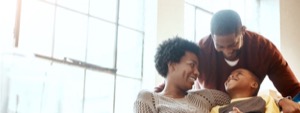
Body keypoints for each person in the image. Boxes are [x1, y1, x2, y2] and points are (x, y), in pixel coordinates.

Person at [155, 9, 300, 112]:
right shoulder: (202, 50)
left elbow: (294, 90)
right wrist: (154, 96)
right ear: (212, 36)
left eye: (232, 44)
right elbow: (175, 80)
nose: (227, 51)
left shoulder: (264, 50)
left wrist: (284, 101)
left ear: (243, 30)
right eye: (220, 46)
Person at [134, 37, 230, 113]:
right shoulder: (148, 98)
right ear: (172, 65)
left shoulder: (206, 96)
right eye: (192, 65)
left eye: (198, 68)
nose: (197, 72)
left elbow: (236, 101)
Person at [211, 68, 280, 113]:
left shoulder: (264, 99)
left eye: (239, 74)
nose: (231, 76)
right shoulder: (217, 109)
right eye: (229, 76)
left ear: (254, 84)